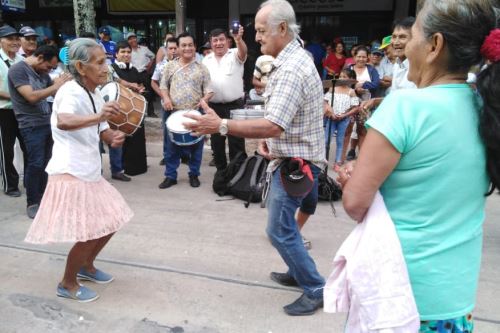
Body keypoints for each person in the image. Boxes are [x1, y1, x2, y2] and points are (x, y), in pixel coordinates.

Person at [338, 0, 499, 330]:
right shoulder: (486, 107)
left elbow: (356, 204)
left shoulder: (403, 107)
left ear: (435, 45)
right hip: (455, 301)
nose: (403, 46)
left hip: (399, 300)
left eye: (411, 36)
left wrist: (351, 181)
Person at [185, 0, 326, 316]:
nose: (257, 37)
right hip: (298, 156)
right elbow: (283, 118)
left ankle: (316, 288)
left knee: (278, 230)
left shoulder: (291, 68)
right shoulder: (292, 61)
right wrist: (268, 140)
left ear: (281, 29)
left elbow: (275, 123)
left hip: (295, 165)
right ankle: (298, 270)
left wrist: (221, 125)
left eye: (261, 31)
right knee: (289, 223)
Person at [24, 38, 133, 302]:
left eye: (105, 61)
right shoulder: (69, 91)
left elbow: (98, 128)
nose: (105, 67)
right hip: (71, 171)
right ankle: (67, 283)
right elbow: (64, 121)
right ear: (81, 68)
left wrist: (110, 136)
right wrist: (100, 118)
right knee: (88, 231)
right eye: (98, 62)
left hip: (89, 170)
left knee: (111, 222)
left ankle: (86, 267)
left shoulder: (94, 93)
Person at [8, 45, 72, 218]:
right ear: (40, 57)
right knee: (35, 164)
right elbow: (32, 97)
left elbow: (55, 89)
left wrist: (65, 83)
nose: (49, 70)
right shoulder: (18, 70)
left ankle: (44, 197)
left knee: (47, 163)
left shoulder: (42, 72)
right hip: (30, 124)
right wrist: (56, 85)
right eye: (49, 66)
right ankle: (32, 202)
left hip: (47, 122)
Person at [158, 32, 213, 189]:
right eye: (184, 45)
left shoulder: (202, 68)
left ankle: (194, 174)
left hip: (195, 114)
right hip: (173, 112)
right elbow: (163, 86)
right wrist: (166, 99)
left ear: (195, 47)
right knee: (171, 147)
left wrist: (204, 100)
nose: (187, 48)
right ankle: (170, 176)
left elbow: (209, 90)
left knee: (196, 146)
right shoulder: (170, 66)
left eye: (190, 45)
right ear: (178, 48)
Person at [202, 27, 247, 171]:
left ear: (227, 41)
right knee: (217, 143)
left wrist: (238, 39)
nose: (218, 43)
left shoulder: (235, 53)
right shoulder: (206, 60)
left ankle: (238, 174)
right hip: (214, 107)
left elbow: (243, 52)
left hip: (235, 107)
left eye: (221, 39)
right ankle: (221, 174)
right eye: (215, 40)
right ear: (211, 43)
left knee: (237, 142)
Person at [110, 41, 148, 177]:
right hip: (118, 111)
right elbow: (113, 82)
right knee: (120, 140)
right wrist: (131, 85)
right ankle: (119, 169)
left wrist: (141, 88)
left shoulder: (133, 69)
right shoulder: (112, 69)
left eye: (128, 52)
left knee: (137, 139)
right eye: (123, 52)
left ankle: (139, 165)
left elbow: (140, 84)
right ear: (116, 54)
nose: (126, 55)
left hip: (134, 111)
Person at [0, 25, 26, 198]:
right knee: (6, 151)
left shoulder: (21, 60)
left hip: (23, 111)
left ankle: (32, 182)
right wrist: (15, 97)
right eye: (10, 39)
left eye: (17, 39)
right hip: (4, 112)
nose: (15, 42)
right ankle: (10, 185)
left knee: (28, 147)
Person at [323, 68, 359, 171]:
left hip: (344, 119)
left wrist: (345, 115)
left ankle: (338, 162)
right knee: (326, 140)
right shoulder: (333, 88)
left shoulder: (351, 91)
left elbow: (356, 107)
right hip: (331, 118)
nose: (342, 78)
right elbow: (325, 101)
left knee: (340, 141)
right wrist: (330, 111)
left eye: (345, 77)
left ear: (350, 79)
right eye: (341, 76)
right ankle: (323, 160)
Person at [151, 37, 177, 167]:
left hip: (182, 105)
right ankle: (167, 156)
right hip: (166, 105)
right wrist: (163, 96)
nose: (173, 51)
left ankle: (183, 156)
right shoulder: (160, 65)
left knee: (182, 129)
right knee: (167, 132)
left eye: (175, 48)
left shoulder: (183, 64)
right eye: (170, 48)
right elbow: (153, 82)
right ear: (166, 50)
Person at [127, 32, 156, 117]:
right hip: (133, 74)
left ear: (136, 38)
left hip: (144, 73)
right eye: (130, 39)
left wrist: (150, 65)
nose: (133, 40)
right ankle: (138, 113)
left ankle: (151, 112)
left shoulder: (144, 49)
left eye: (134, 38)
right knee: (135, 94)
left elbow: (153, 56)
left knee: (149, 93)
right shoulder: (128, 51)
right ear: (128, 41)